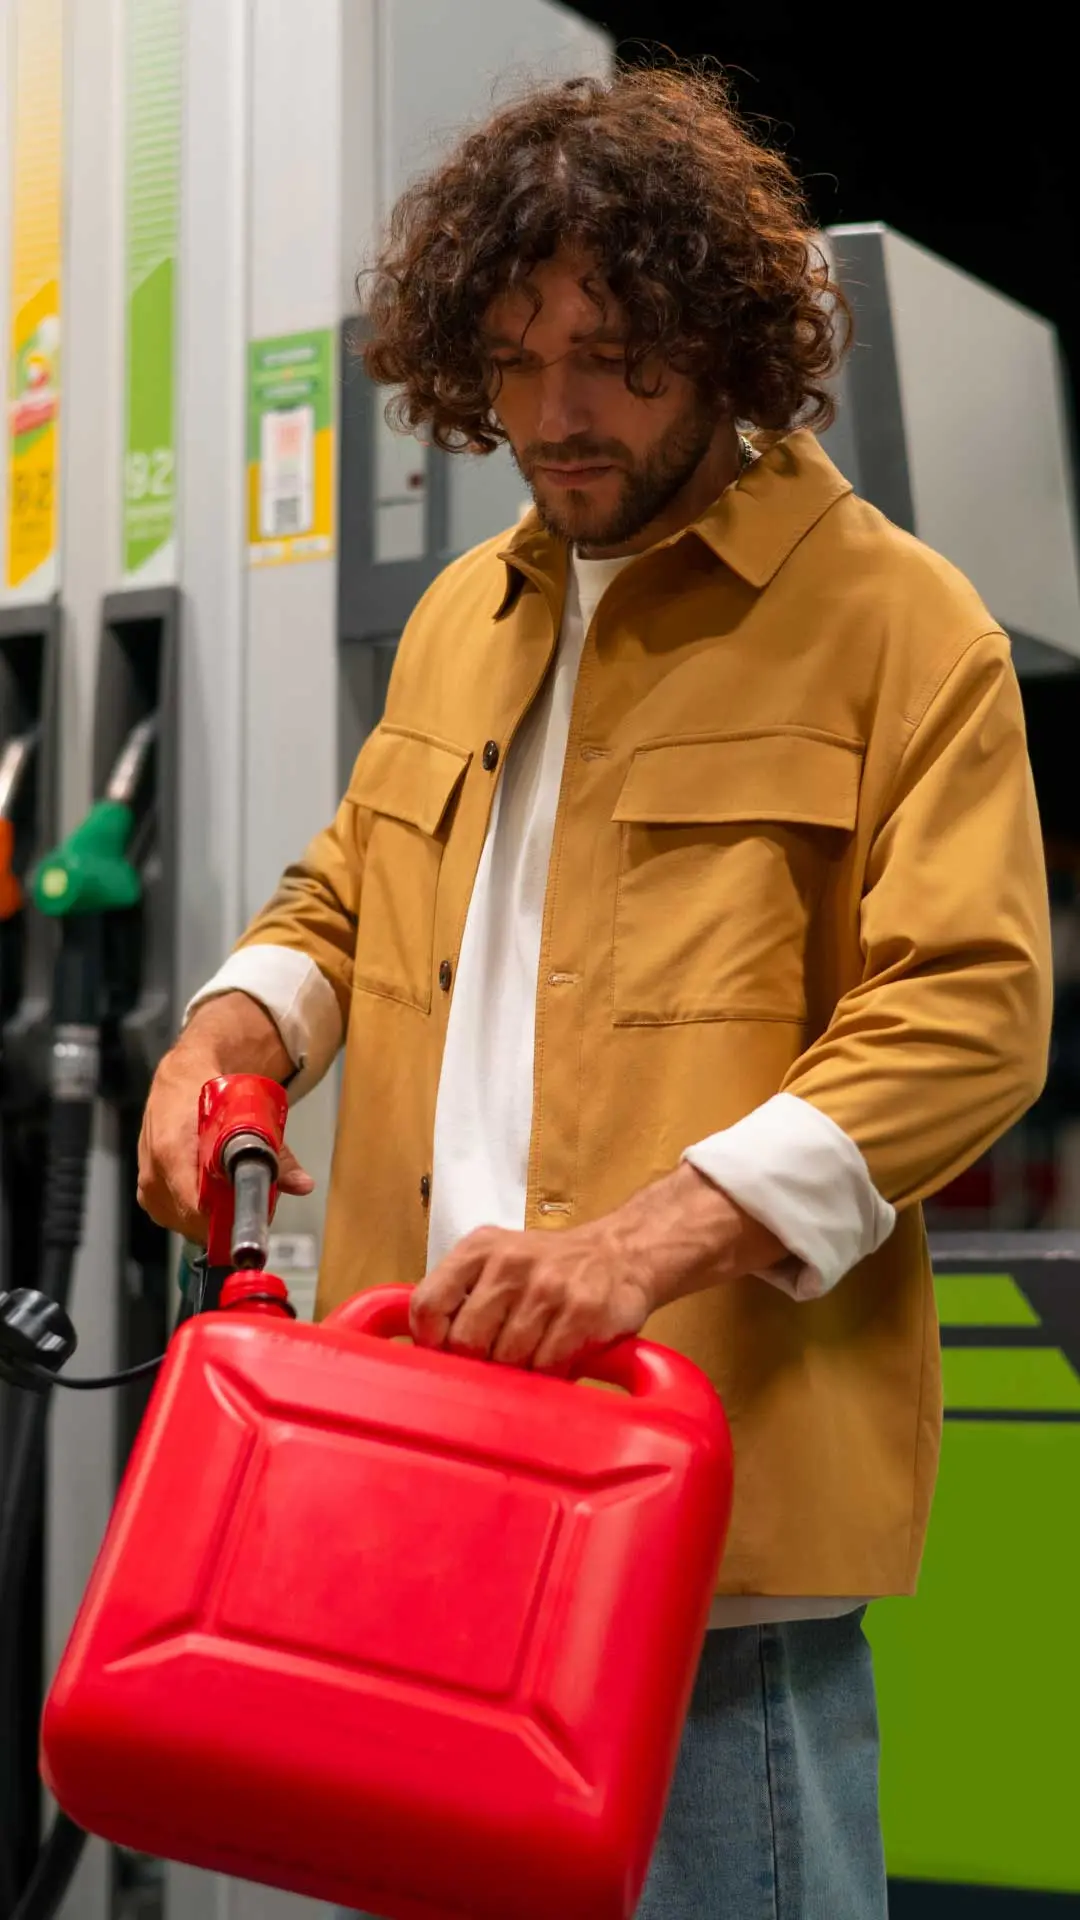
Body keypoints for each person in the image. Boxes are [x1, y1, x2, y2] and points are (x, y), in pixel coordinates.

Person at [137, 62, 1052, 1920]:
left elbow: (965, 1006)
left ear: (725, 341)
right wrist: (238, 1026)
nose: (555, 413)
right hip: (427, 1482)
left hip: (697, 1534)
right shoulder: (470, 614)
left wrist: (639, 1246)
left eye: (617, 354)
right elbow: (346, 892)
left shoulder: (896, 623)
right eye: (514, 356)